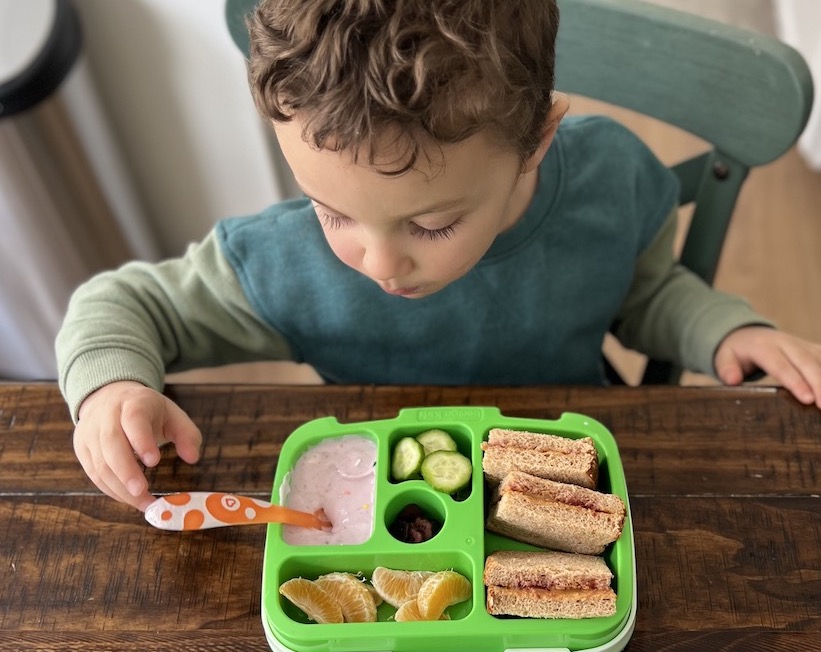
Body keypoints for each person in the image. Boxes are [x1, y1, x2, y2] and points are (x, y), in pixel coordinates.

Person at [55, 0, 821, 511]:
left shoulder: (607, 182)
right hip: (369, 490)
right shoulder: (286, 262)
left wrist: (725, 330)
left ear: (534, 144)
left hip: (568, 468)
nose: (379, 263)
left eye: (430, 224)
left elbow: (645, 292)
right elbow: (123, 305)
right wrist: (110, 389)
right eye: (332, 211)